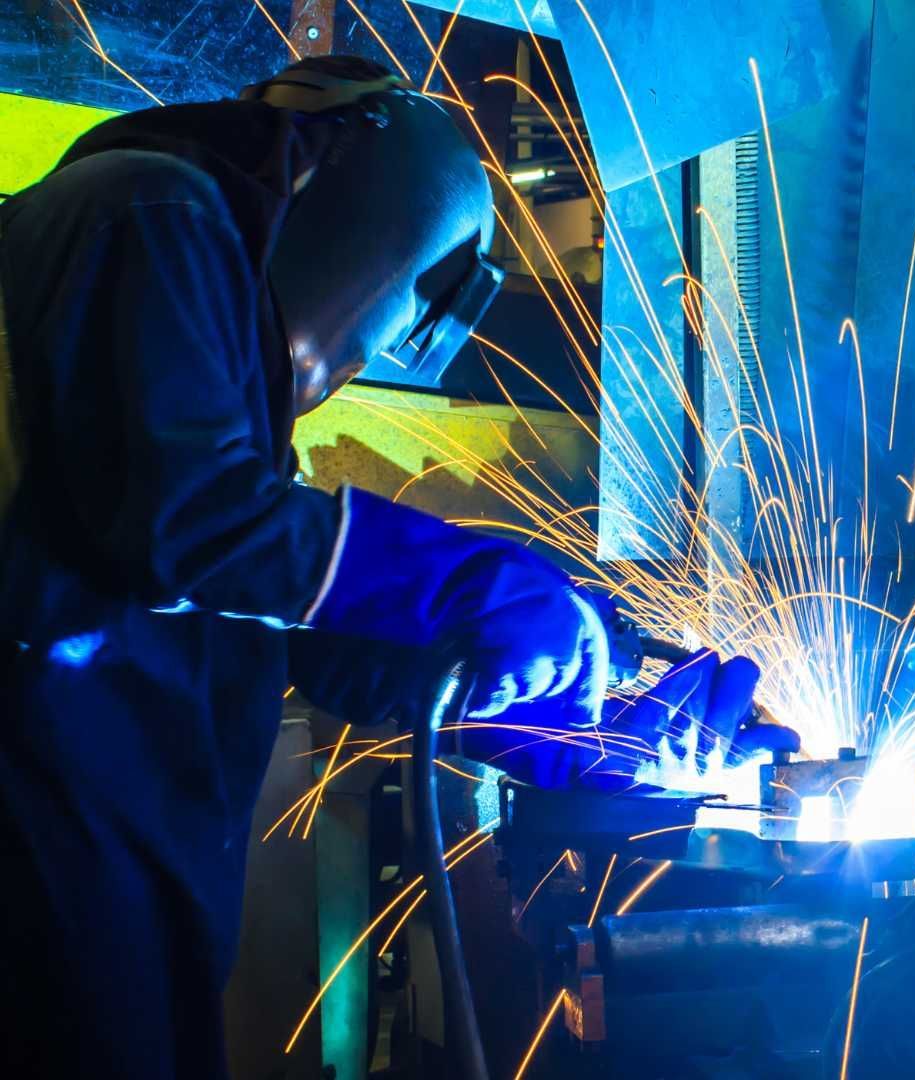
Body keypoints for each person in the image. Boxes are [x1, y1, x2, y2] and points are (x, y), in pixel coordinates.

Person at [0, 56, 783, 1076]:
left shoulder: (204, 351)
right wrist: (472, 584)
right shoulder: (146, 208)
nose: (356, 366)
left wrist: (538, 716)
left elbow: (282, 636)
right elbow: (196, 524)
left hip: (118, 873)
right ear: (366, 223)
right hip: (37, 847)